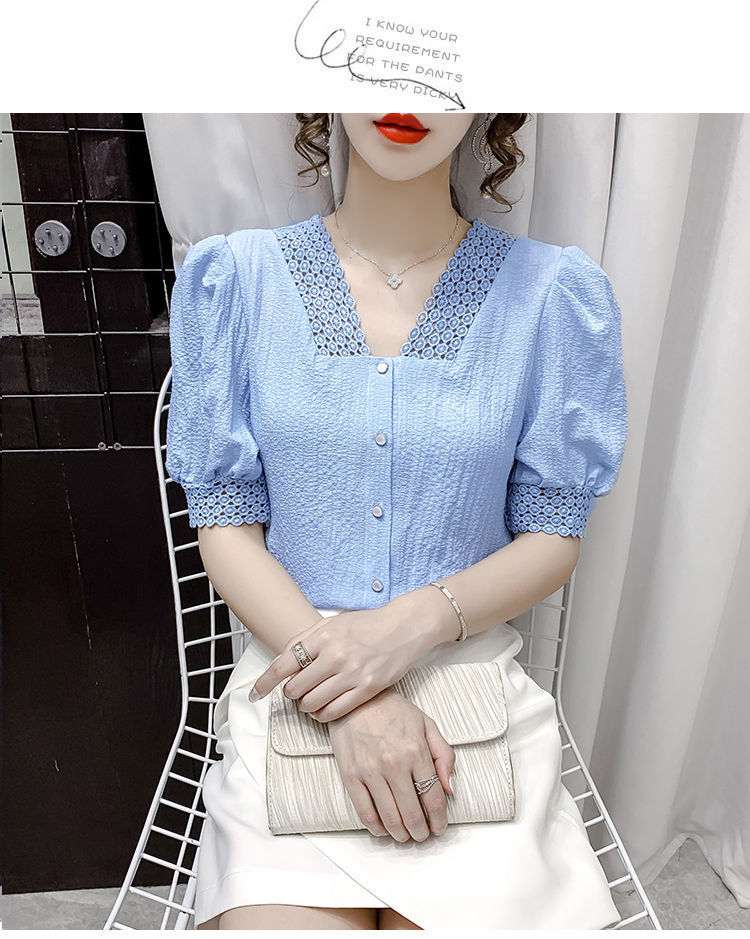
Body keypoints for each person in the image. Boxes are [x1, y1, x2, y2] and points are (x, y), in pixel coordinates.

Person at [164, 113, 628, 930]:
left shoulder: (552, 293)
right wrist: (352, 694)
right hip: (293, 680)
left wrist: (405, 628)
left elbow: (553, 535)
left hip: (475, 694)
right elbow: (225, 523)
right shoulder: (236, 278)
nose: (401, 96)